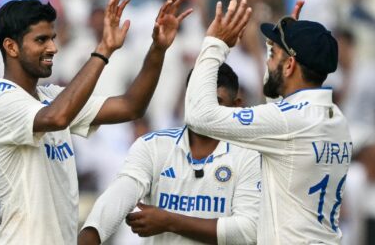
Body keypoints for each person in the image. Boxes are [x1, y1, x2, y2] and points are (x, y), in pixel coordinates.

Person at [0, 0, 193, 244]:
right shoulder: (0, 104)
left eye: (53, 38)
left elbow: (129, 107)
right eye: (41, 40)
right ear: (11, 47)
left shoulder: (51, 97)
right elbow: (57, 117)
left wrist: (157, 49)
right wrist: (103, 50)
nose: (53, 48)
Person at [185, 0, 352, 244]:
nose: (266, 59)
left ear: (290, 65)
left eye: (272, 53)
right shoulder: (335, 118)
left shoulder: (290, 121)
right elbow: (278, 107)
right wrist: (285, 46)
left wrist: (215, 43)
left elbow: (198, 116)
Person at [78, 63, 261, 245]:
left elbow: (248, 230)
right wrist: (91, 235)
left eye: (216, 101)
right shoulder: (154, 145)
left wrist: (170, 222)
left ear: (236, 106)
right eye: (197, 99)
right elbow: (120, 194)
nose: (205, 110)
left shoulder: (250, 155)